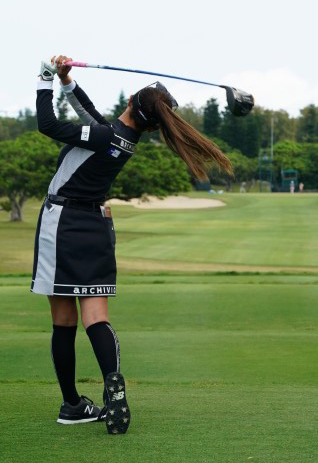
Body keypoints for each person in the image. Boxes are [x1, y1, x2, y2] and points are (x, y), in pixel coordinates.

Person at [32, 55, 232, 435]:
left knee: (64, 320)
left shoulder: (106, 136)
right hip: (96, 227)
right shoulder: (122, 138)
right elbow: (90, 115)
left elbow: (48, 125)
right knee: (96, 317)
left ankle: (72, 404)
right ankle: (112, 384)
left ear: (130, 102)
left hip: (62, 224)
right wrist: (66, 81)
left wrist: (44, 78)